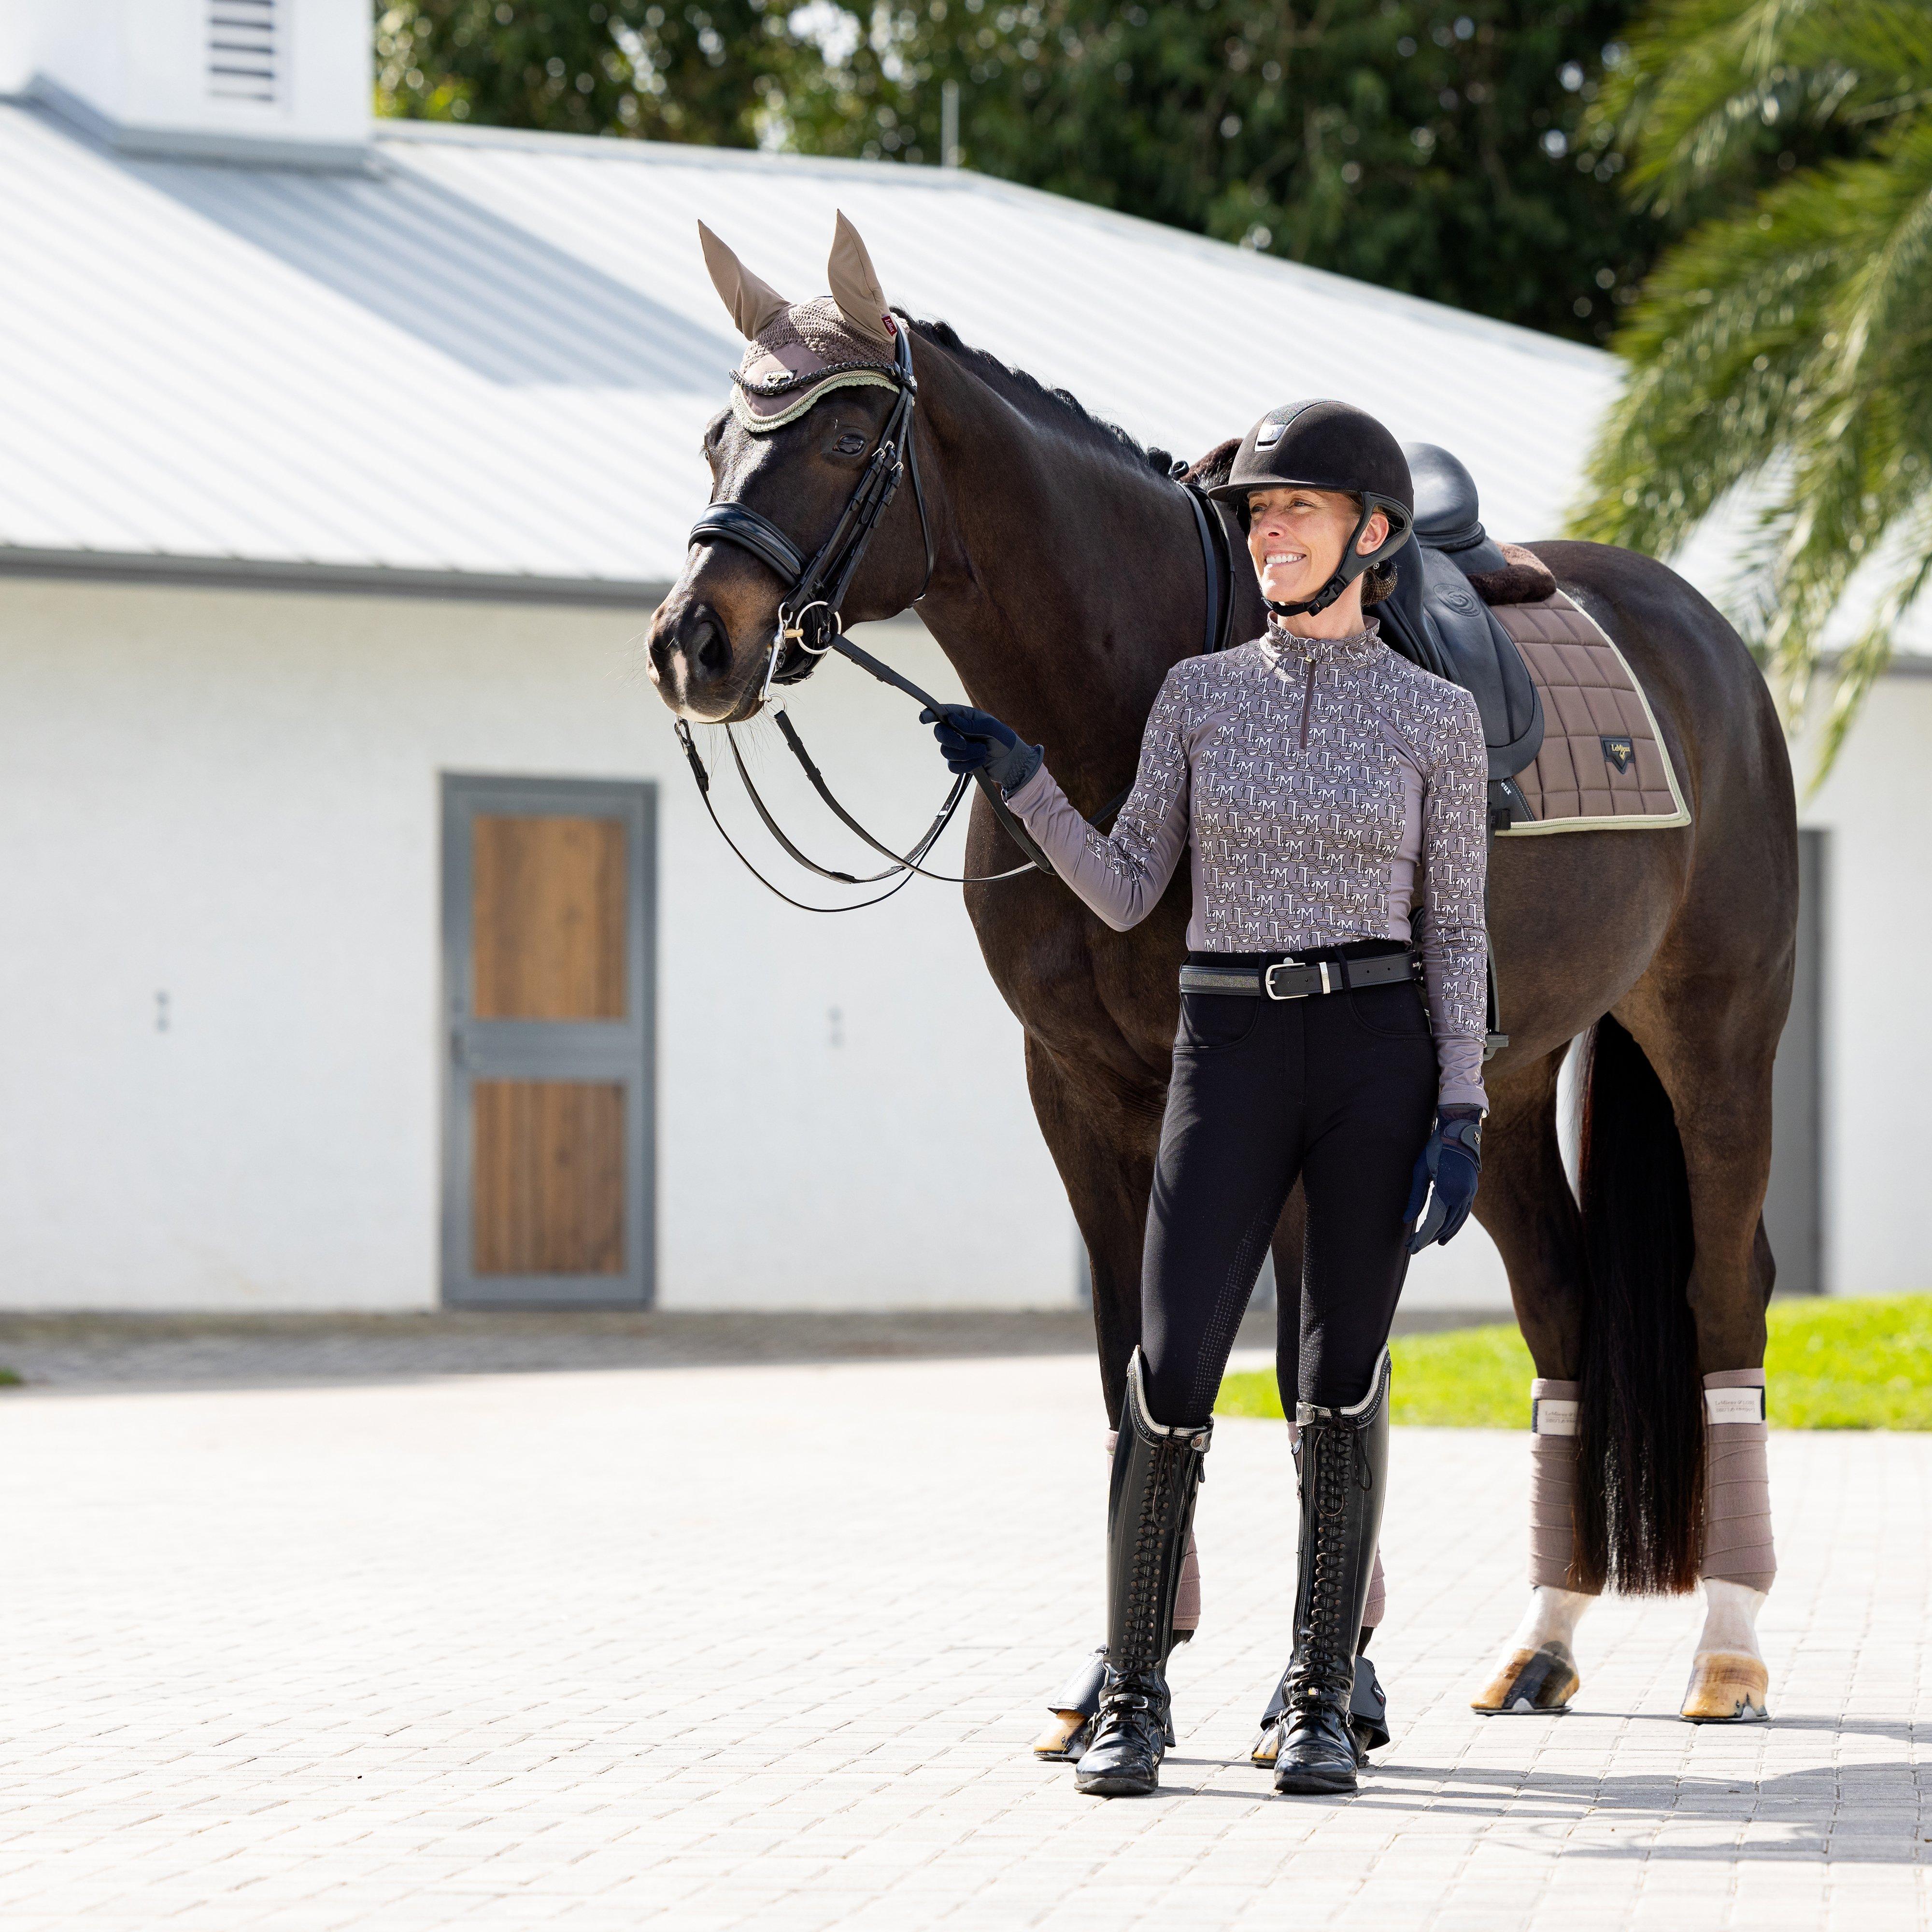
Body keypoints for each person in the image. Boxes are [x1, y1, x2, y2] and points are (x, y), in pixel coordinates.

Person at [924, 401, 1489, 1798]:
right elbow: (1127, 888)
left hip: (1371, 1056)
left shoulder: (1437, 718)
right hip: (1226, 1048)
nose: (1268, 531)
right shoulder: (1197, 696)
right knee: (1170, 1372)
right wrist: (1025, 784)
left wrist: (1462, 1108)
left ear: (1373, 531)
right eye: (1257, 512)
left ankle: (1319, 1698)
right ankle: (1136, 1695)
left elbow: (1458, 931)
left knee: (1339, 1381)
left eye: (1297, 509)